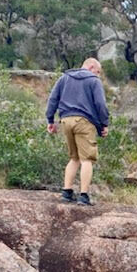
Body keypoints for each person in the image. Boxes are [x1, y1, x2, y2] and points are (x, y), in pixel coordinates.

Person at [46, 57, 109, 206]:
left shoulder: (64, 77)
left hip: (66, 121)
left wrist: (50, 120)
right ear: (91, 67)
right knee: (87, 159)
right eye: (98, 71)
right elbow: (100, 104)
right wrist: (104, 124)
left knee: (74, 158)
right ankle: (83, 195)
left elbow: (53, 99)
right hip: (84, 122)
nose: (98, 75)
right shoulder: (94, 81)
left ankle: (66, 192)